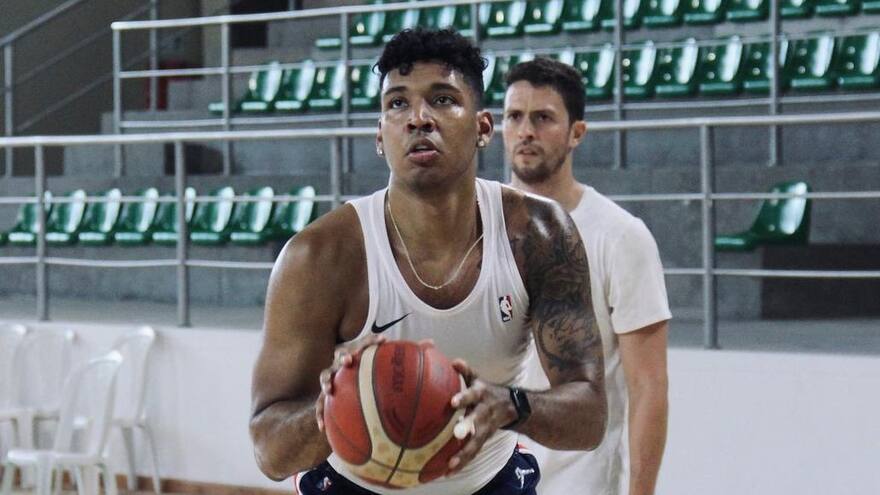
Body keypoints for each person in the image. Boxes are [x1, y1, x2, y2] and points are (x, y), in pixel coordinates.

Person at [250, 29, 607, 495]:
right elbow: (268, 452)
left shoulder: (538, 234)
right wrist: (335, 409)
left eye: (442, 99)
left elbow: (590, 416)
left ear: (482, 127)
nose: (418, 118)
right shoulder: (320, 256)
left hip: (490, 482)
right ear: (381, 135)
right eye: (397, 103)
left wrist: (510, 405)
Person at [503, 57, 671, 495]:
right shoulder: (474, 226)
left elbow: (648, 386)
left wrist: (642, 491)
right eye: (514, 117)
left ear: (577, 133)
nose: (525, 131)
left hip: (580, 481)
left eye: (543, 118)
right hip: (490, 476)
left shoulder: (621, 237)